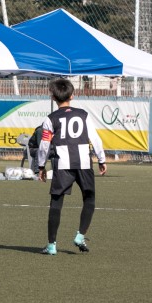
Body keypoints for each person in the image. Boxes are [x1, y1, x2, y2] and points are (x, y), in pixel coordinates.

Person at [31, 77, 107, 255]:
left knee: (56, 203)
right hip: (84, 163)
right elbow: (95, 138)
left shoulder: (50, 119)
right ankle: (80, 235)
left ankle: (51, 245)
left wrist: (40, 167)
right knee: (89, 198)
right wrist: (102, 160)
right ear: (72, 95)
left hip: (63, 164)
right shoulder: (83, 114)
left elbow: (44, 145)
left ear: (53, 98)